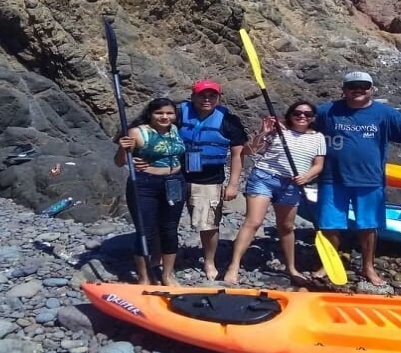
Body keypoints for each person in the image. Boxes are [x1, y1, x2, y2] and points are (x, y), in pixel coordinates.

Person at [315, 71, 401, 286]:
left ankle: (368, 267)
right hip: (332, 179)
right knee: (329, 224)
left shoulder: (385, 113)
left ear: (371, 89)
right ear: (344, 89)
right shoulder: (327, 111)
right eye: (352, 85)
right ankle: (328, 263)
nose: (358, 89)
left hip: (369, 181)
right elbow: (298, 122)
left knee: (368, 225)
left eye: (363, 86)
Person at [224, 101, 326, 284]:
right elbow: (248, 151)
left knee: (286, 227)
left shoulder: (318, 137)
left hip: (292, 185)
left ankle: (291, 267)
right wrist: (263, 132)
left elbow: (318, 165)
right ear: (290, 114)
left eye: (307, 114)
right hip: (264, 178)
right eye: (298, 113)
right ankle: (234, 265)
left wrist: (306, 176)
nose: (302, 116)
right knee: (253, 222)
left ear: (313, 118)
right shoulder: (278, 131)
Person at [178, 80, 248, 280]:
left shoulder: (229, 121)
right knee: (166, 220)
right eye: (202, 95)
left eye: (212, 96)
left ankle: (209, 261)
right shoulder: (178, 114)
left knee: (208, 224)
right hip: (175, 175)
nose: (206, 99)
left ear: (218, 98)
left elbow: (238, 155)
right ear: (193, 96)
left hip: (209, 179)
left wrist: (233, 184)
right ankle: (161, 256)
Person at [115, 98, 186, 286]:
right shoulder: (137, 132)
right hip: (145, 184)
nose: (165, 117)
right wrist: (123, 149)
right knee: (145, 231)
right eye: (159, 113)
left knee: (170, 229)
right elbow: (120, 162)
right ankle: (144, 276)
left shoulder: (176, 130)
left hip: (175, 182)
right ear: (151, 114)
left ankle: (167, 275)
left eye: (169, 113)